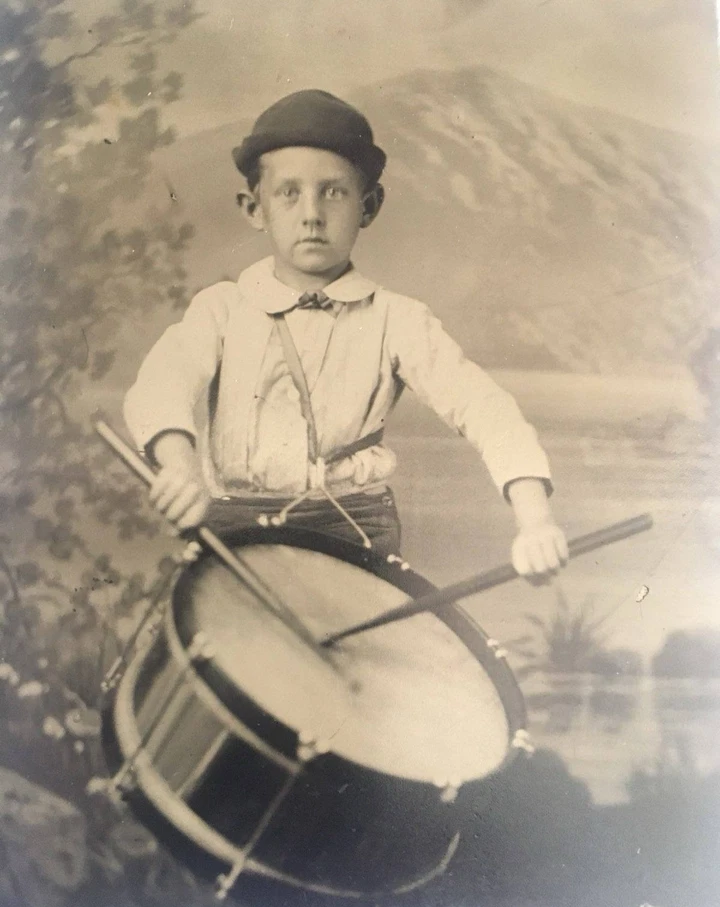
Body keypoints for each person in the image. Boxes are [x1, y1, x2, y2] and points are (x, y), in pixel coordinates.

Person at [125, 88, 567, 578]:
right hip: (235, 536)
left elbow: (486, 408)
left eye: (333, 191)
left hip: (356, 534)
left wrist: (535, 520)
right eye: (288, 193)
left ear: (369, 206)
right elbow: (161, 383)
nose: (311, 213)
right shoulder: (221, 310)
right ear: (254, 208)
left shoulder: (398, 320)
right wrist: (179, 465)